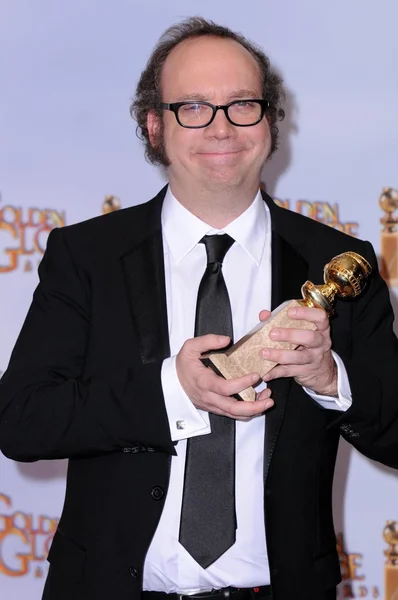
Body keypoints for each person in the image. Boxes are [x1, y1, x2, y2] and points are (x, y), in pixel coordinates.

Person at [0, 16, 398, 600]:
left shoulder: (339, 263)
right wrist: (171, 390)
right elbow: (22, 422)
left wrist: (329, 377)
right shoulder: (86, 255)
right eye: (193, 106)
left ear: (269, 121)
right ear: (154, 125)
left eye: (243, 104)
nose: (221, 127)